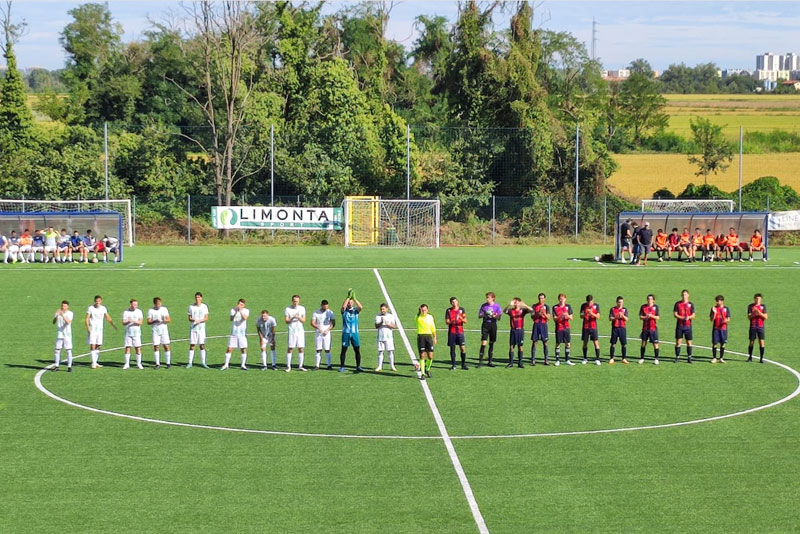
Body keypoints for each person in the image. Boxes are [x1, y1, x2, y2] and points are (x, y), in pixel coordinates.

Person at [85, 295, 116, 369]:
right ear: (94, 301)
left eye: (99, 301)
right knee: (93, 344)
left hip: (100, 329)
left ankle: (95, 362)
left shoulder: (103, 308)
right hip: (93, 329)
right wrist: (88, 328)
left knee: (98, 345)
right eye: (96, 301)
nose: (97, 302)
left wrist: (113, 324)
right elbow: (87, 318)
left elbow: (107, 316)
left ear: (101, 301)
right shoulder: (90, 308)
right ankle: (93, 363)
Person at [504, 297, 532, 368]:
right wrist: (509, 305)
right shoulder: (511, 310)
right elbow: (504, 311)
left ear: (520, 303)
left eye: (517, 302)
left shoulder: (523, 310)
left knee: (520, 346)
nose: (515, 304)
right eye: (514, 302)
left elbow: (532, 310)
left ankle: (520, 363)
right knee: (511, 346)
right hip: (513, 330)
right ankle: (511, 363)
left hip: (520, 330)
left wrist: (524, 305)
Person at [222, 299, 249, 371]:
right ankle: (226, 364)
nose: (240, 306)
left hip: (242, 333)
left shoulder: (246, 311)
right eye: (239, 304)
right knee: (229, 348)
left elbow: (245, 318)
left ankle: (243, 365)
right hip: (234, 333)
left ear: (244, 305)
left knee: (243, 349)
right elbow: (231, 318)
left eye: (242, 305)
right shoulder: (233, 310)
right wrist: (236, 312)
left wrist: (240, 311)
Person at [339, 292, 363, 373]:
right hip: (346, 333)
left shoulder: (355, 310)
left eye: (351, 302)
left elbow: (360, 307)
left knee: (357, 350)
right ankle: (342, 366)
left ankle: (358, 366)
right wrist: (348, 298)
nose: (350, 303)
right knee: (344, 350)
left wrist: (355, 299)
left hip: (354, 333)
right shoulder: (344, 311)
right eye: (349, 302)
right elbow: (343, 306)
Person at [477, 292, 502, 367]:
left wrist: (494, 315)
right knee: (483, 343)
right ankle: (480, 362)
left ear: (493, 298)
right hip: (485, 325)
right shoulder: (484, 306)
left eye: (488, 297)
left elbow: (499, 318)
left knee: (491, 343)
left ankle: (490, 362)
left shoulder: (497, 306)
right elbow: (479, 315)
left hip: (493, 325)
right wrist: (485, 314)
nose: (487, 299)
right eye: (487, 297)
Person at [147, 297, 171, 369]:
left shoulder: (164, 309)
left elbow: (169, 319)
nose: (159, 304)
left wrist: (164, 320)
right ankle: (157, 363)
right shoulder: (151, 311)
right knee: (156, 346)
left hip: (164, 331)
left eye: (160, 303)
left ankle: (168, 363)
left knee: (166, 346)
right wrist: (154, 321)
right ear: (155, 303)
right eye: (157, 303)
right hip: (155, 330)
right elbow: (148, 321)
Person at [284, 295, 306, 372]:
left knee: (301, 348)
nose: (295, 302)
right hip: (292, 330)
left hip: (300, 331)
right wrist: (293, 317)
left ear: (299, 301)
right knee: (290, 348)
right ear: (292, 301)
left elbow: (303, 320)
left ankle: (300, 366)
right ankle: (288, 366)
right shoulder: (288, 309)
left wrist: (298, 317)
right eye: (294, 301)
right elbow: (286, 321)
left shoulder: (302, 308)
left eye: (297, 301)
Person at [445, 297, 468, 370]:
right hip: (452, 332)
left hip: (460, 332)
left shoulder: (462, 310)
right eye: (452, 302)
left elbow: (465, 321)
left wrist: (460, 318)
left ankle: (463, 364)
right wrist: (453, 321)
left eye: (455, 301)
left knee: (462, 348)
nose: (454, 303)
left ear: (457, 302)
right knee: (452, 348)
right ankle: (453, 365)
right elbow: (447, 321)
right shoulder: (448, 310)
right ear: (451, 303)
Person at [187, 292, 209, 368]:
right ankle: (190, 363)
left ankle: (203, 362)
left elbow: (206, 318)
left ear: (201, 298)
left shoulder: (204, 306)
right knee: (192, 345)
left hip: (201, 329)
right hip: (193, 329)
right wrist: (193, 319)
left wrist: (199, 321)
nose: (197, 299)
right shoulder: (191, 307)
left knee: (202, 345)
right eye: (196, 297)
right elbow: (189, 318)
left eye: (199, 297)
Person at [673, 290, 696, 363]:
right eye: (683, 295)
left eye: (685, 295)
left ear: (688, 295)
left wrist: (689, 317)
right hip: (680, 326)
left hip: (688, 326)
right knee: (678, 342)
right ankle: (677, 357)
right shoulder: (677, 304)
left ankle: (689, 358)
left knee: (689, 342)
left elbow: (694, 315)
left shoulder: (691, 304)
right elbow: (675, 314)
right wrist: (682, 318)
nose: (684, 296)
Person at [311, 300, 335, 370]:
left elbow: (333, 323)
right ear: (321, 305)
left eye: (326, 306)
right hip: (318, 333)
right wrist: (318, 327)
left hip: (327, 333)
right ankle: (317, 365)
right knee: (318, 349)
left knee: (327, 349)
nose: (325, 308)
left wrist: (328, 330)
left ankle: (329, 365)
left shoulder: (330, 312)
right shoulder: (316, 313)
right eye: (324, 306)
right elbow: (312, 323)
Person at [552, 293, 575, 366]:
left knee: (567, 343)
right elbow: (554, 319)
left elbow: (571, 318)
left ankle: (567, 359)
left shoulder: (568, 307)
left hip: (566, 328)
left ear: (565, 299)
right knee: (558, 343)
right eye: (560, 299)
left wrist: (567, 315)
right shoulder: (555, 307)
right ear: (558, 299)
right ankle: (557, 360)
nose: (562, 300)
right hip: (559, 328)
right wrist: (560, 316)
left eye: (563, 298)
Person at [122, 299, 144, 370]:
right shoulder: (126, 312)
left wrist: (134, 321)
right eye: (134, 304)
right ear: (130, 304)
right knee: (128, 347)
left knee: (138, 348)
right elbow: (123, 323)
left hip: (136, 333)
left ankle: (139, 363)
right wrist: (128, 321)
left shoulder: (139, 312)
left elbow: (141, 322)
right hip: (128, 333)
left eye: (136, 305)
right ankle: (127, 364)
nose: (135, 306)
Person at [415, 304, 436, 379]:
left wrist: (435, 337)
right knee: (422, 356)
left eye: (425, 310)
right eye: (422, 310)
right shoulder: (418, 317)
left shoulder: (430, 317)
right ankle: (423, 373)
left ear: (427, 310)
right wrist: (419, 312)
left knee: (430, 356)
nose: (423, 311)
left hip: (428, 337)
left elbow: (433, 327)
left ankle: (427, 369)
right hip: (421, 337)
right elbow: (417, 317)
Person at [53, 300, 74, 372]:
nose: (63, 307)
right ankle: (56, 366)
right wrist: (56, 316)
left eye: (64, 306)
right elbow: (54, 322)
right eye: (62, 306)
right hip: (60, 334)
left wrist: (62, 315)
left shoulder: (70, 313)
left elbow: (68, 322)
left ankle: (69, 366)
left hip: (67, 335)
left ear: (67, 306)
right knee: (57, 350)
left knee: (68, 350)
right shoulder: (58, 312)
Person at [639, 294, 660, 364]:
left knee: (655, 344)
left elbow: (658, 317)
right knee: (643, 343)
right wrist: (646, 317)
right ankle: (642, 358)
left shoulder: (656, 307)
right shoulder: (643, 307)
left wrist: (651, 316)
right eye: (648, 299)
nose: (649, 300)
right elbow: (640, 317)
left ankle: (656, 359)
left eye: (651, 299)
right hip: (645, 328)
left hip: (653, 328)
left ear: (653, 300)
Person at [580, 294, 601, 365]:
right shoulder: (583, 305)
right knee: (585, 343)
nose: (589, 303)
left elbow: (598, 316)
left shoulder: (596, 306)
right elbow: (581, 316)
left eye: (591, 302)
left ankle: (597, 359)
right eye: (588, 302)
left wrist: (592, 313)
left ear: (593, 301)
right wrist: (585, 313)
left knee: (596, 343)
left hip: (593, 327)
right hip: (585, 327)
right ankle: (585, 358)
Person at [375, 303, 396, 372]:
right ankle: (379, 366)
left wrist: (387, 323)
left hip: (389, 337)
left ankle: (392, 366)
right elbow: (376, 326)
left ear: (387, 309)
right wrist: (381, 322)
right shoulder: (378, 316)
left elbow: (394, 326)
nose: (382, 310)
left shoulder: (391, 316)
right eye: (381, 309)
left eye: (383, 309)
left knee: (390, 351)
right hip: (380, 337)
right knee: (380, 352)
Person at [747, 293, 768, 363]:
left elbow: (766, 317)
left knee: (761, 342)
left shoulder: (763, 306)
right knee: (751, 342)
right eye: (756, 298)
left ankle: (761, 358)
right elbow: (749, 317)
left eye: (759, 299)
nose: (757, 300)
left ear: (761, 299)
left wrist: (759, 312)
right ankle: (750, 357)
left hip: (760, 327)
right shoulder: (750, 306)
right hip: (753, 326)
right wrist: (753, 313)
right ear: (754, 299)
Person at [530, 293, 550, 365]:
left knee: (545, 342)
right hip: (536, 325)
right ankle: (533, 360)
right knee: (535, 342)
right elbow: (532, 317)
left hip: (544, 325)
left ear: (544, 299)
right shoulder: (534, 306)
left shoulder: (547, 307)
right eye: (539, 298)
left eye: (542, 298)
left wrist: (544, 314)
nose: (540, 300)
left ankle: (546, 360)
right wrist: (538, 313)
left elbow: (548, 318)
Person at [710, 295, 731, 363]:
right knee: (715, 343)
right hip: (716, 328)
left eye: (718, 301)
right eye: (716, 301)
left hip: (723, 329)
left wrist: (726, 321)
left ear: (722, 301)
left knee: (723, 343)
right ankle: (714, 358)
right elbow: (711, 319)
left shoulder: (726, 309)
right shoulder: (713, 308)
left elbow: (729, 319)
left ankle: (721, 358)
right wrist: (715, 313)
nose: (717, 302)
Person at [608, 296, 629, 365]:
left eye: (621, 302)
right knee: (613, 343)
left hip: (622, 328)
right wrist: (616, 317)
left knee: (624, 344)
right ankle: (611, 358)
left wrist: (622, 316)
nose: (620, 304)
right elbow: (610, 318)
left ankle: (624, 358)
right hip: (615, 328)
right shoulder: (613, 309)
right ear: (617, 302)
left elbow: (627, 319)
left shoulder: (625, 309)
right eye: (619, 302)